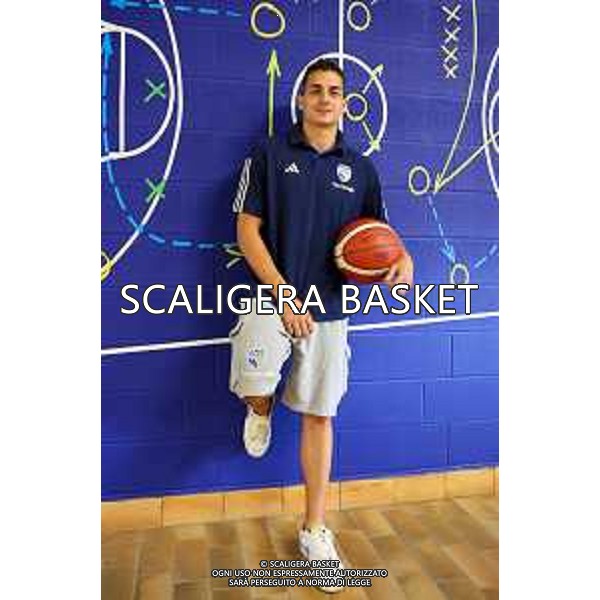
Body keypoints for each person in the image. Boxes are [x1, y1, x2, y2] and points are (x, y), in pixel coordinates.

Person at [229, 59, 413, 593]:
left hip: (329, 309)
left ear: (345, 104)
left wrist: (401, 261)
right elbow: (246, 231)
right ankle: (260, 407)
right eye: (315, 90)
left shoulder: (362, 169)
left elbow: (380, 237)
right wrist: (284, 293)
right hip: (272, 297)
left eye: (334, 91)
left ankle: (313, 530)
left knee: (320, 414)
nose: (325, 99)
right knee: (255, 382)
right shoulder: (268, 153)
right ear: (302, 99)